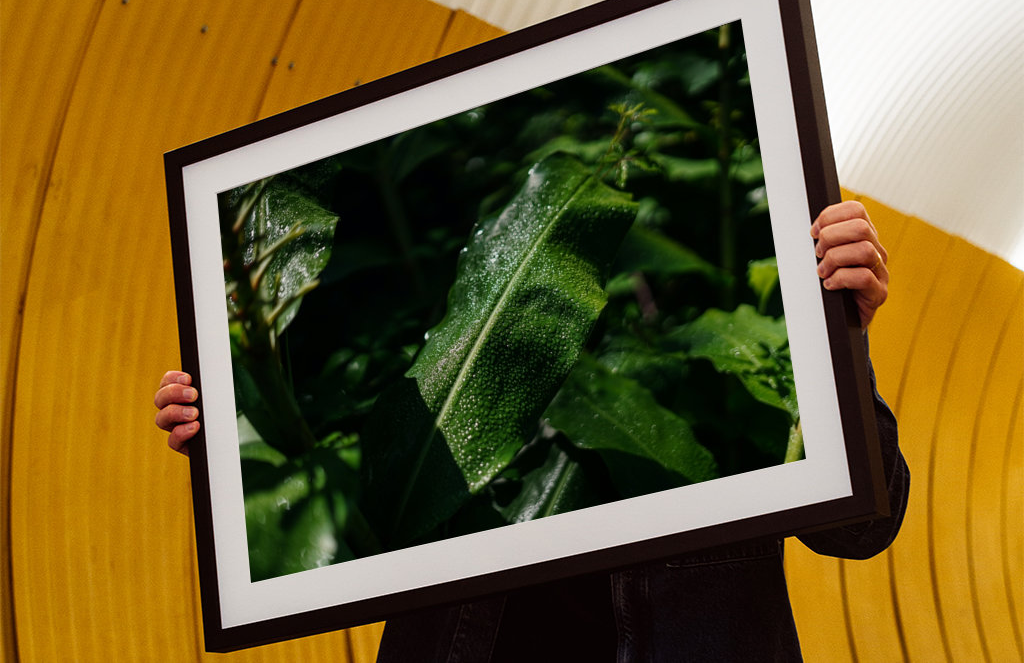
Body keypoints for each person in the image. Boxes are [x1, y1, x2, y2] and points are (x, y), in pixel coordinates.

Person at [154, 201, 908, 662]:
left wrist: (838, 337)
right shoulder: (450, 413)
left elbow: (862, 527)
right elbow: (350, 533)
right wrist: (237, 439)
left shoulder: (698, 389)